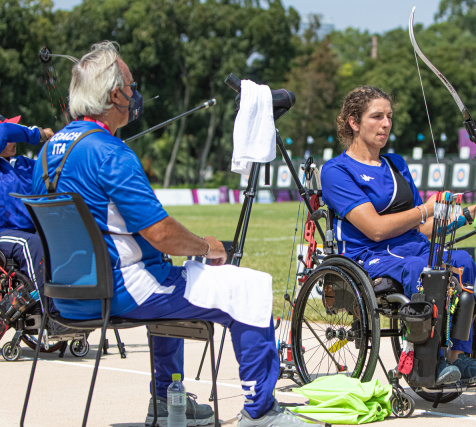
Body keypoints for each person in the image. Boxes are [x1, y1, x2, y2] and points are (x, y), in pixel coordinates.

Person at [31, 41, 305, 427]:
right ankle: (261, 413)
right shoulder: (110, 152)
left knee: (168, 270)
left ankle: (166, 399)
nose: (135, 92)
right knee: (249, 287)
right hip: (123, 292)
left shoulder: (47, 153)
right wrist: (205, 246)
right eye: (131, 84)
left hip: (66, 298)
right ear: (115, 95)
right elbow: (161, 232)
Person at [320, 85, 476, 386]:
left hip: (411, 247)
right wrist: (425, 209)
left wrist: (468, 213)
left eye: (389, 116)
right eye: (377, 116)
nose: (386, 124)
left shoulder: (396, 165)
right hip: (368, 257)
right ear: (353, 122)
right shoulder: (336, 171)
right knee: (421, 269)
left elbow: (424, 229)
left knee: (462, 260)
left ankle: (458, 358)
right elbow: (375, 229)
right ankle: (425, 363)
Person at [0, 115, 54, 296]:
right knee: (30, 244)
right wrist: (41, 134)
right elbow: (5, 131)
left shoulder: (23, 164)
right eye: (11, 137)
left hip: (29, 229)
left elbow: (53, 169)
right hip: (4, 232)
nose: (13, 139)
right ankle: (49, 309)